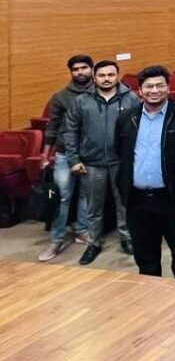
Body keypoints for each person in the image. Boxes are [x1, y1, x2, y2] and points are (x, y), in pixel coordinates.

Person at [115, 66, 175, 279]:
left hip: (172, 198)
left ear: (168, 88)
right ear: (140, 91)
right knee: (146, 258)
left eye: (160, 85)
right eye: (149, 86)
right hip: (137, 200)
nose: (154, 90)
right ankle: (151, 296)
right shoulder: (127, 118)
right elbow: (120, 154)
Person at [64, 60, 140, 265]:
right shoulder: (81, 101)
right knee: (94, 207)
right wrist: (74, 159)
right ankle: (94, 243)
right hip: (92, 163)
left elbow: (140, 130)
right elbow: (70, 131)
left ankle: (127, 238)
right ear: (95, 77)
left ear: (117, 76)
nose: (106, 79)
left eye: (111, 75)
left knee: (124, 203)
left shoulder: (131, 98)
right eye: (102, 75)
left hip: (121, 162)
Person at [37, 55, 93, 261]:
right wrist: (46, 153)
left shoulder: (100, 93)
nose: (80, 72)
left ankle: (82, 230)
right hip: (64, 152)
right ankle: (57, 239)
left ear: (92, 69)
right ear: (71, 72)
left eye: (84, 68)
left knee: (86, 195)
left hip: (90, 152)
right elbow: (52, 126)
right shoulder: (61, 97)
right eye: (75, 69)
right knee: (62, 196)